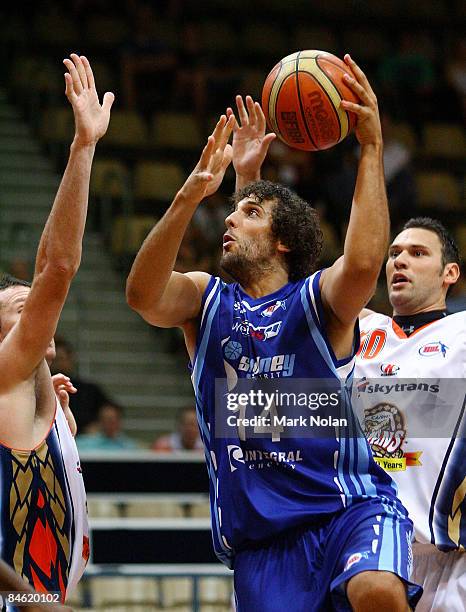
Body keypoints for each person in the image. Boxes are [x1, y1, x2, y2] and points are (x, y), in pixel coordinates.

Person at [127, 55, 422, 610]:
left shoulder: (314, 301)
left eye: (250, 214)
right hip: (262, 543)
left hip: (347, 511)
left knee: (376, 590)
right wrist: (192, 193)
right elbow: (142, 296)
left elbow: (360, 265)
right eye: (233, 214)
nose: (229, 221)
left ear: (284, 240)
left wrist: (372, 148)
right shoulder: (206, 301)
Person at [0, 53, 113, 605]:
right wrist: (83, 148)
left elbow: (47, 262)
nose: (37, 308)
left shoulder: (32, 382)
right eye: (19, 308)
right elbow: (58, 268)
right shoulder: (4, 373)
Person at [354, 217, 465, 611]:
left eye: (418, 254)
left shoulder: (462, 332)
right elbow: (275, 295)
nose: (401, 261)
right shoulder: (359, 331)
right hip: (368, 551)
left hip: (452, 555)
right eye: (394, 253)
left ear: (449, 273)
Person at [50, 336, 109, 433]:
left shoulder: (89, 389)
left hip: (86, 440)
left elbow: (108, 409)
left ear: (70, 359)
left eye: (61, 359)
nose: (58, 364)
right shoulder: (39, 388)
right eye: (55, 360)